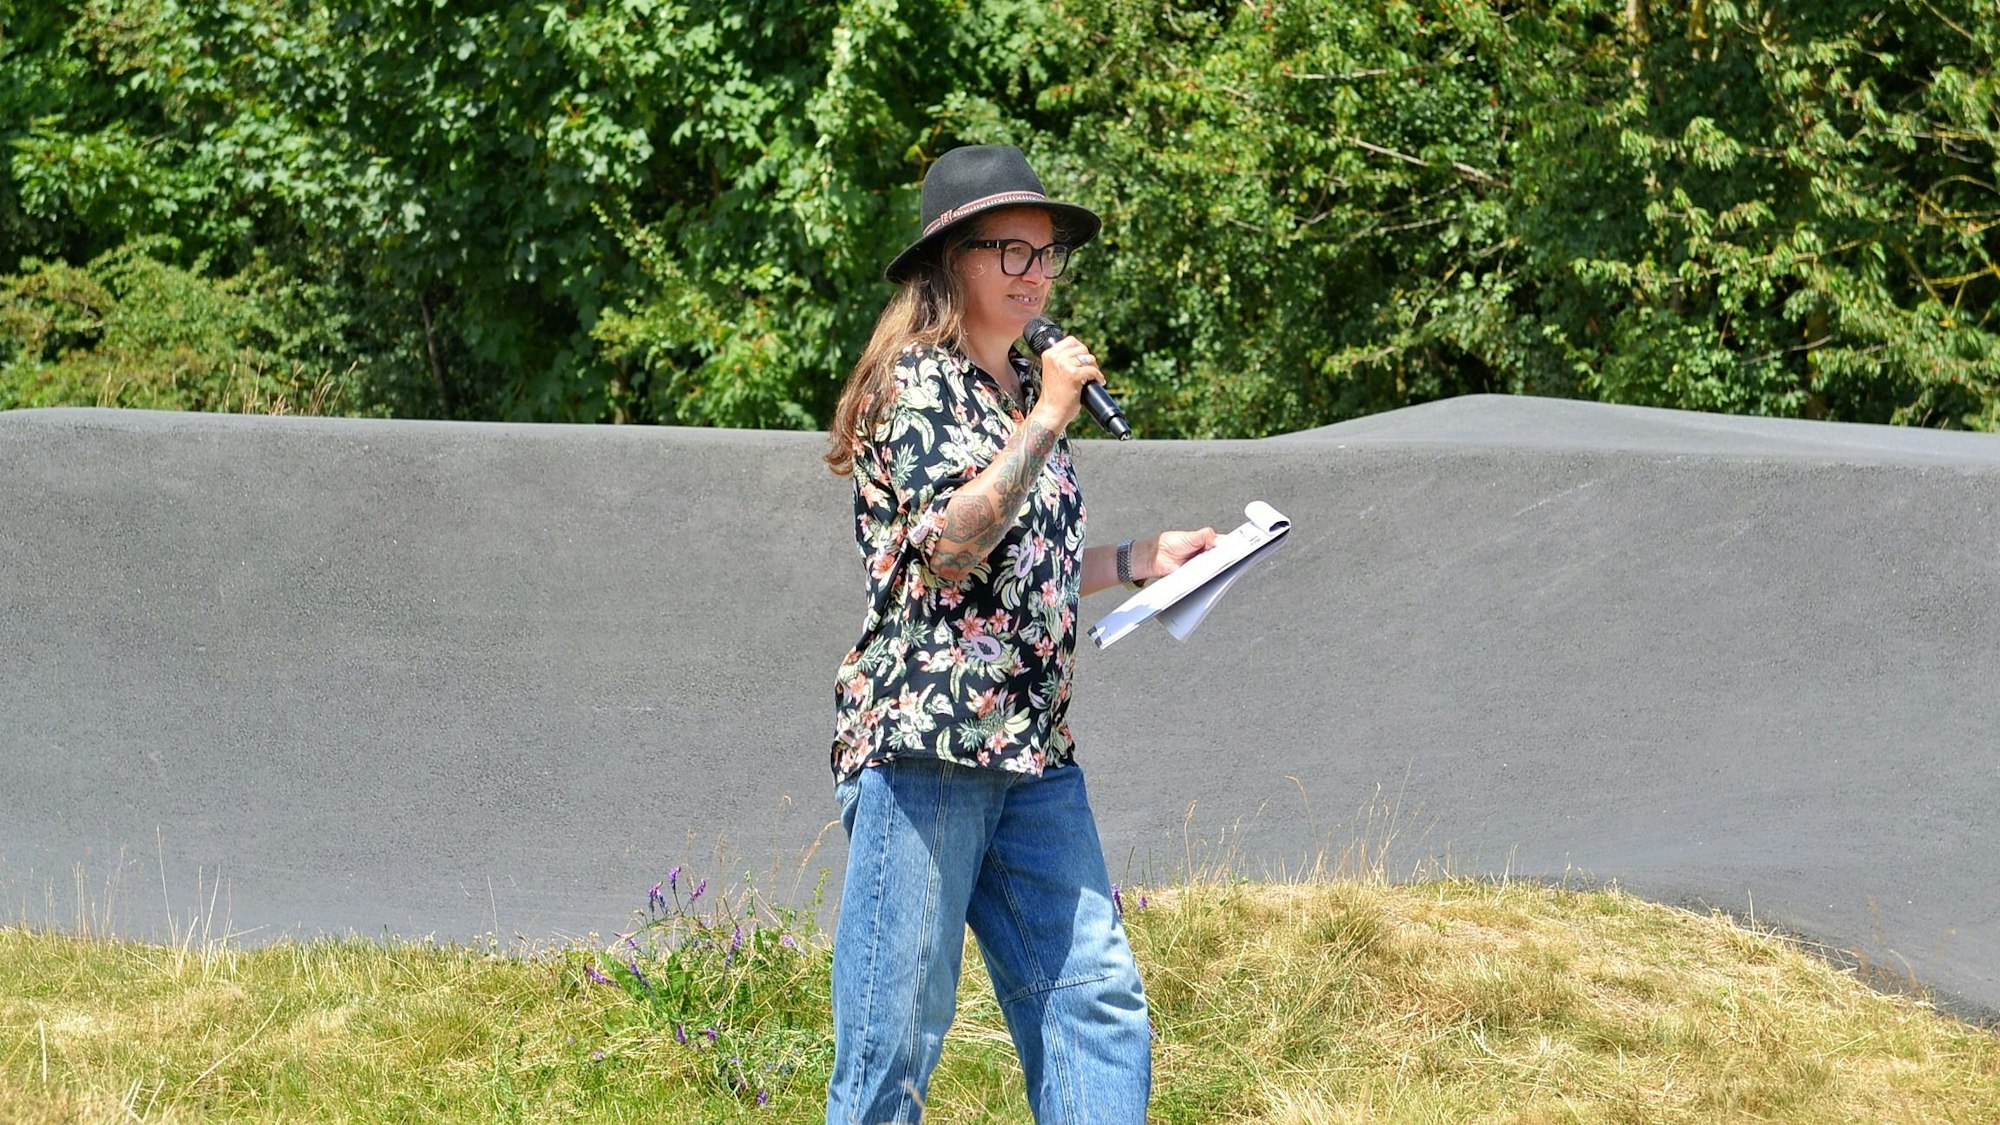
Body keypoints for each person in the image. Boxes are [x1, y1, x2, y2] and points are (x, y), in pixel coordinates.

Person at [821, 143, 1216, 1125]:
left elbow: (1021, 560)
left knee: (1094, 1001)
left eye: (1045, 254)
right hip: (930, 750)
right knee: (893, 1041)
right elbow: (947, 550)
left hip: (1034, 753)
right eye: (1011, 251)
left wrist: (1135, 560)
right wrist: (1043, 417)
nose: (1036, 273)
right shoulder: (910, 385)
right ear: (951, 259)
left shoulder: (1014, 398)